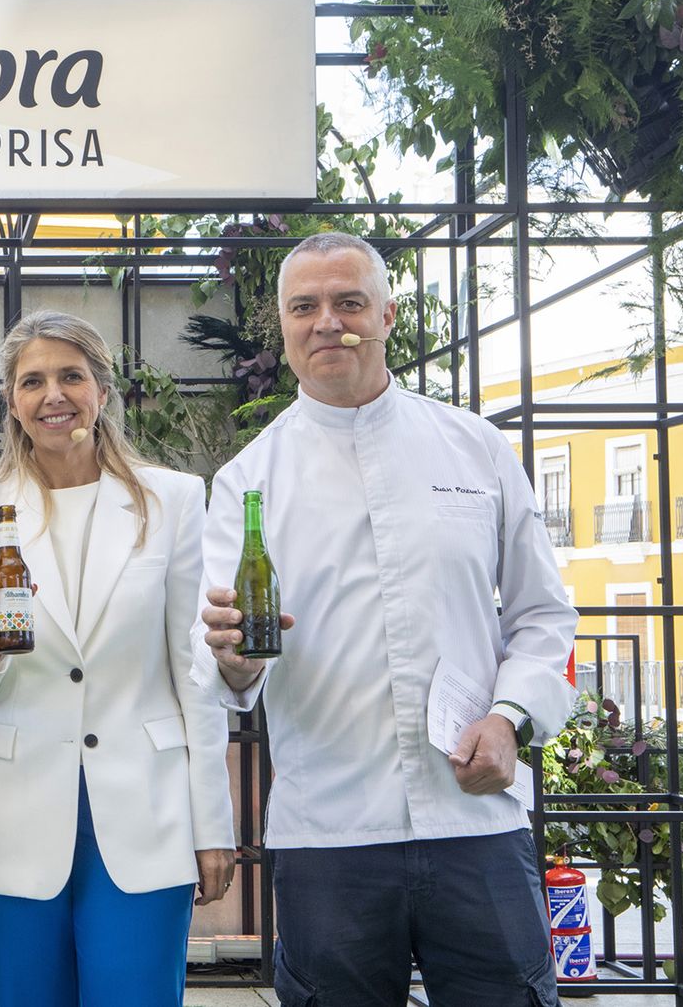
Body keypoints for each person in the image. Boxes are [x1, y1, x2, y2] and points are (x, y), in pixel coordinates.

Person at [192, 232, 578, 1006]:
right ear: (284, 325)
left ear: (388, 315)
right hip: (330, 833)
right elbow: (223, 668)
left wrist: (509, 719)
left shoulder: (475, 449)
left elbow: (543, 615)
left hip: (477, 823)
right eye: (305, 307)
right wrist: (234, 661)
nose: (327, 322)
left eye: (349, 302)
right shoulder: (247, 481)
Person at [0, 309, 235, 1007]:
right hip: (9, 817)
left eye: (71, 376)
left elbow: (193, 671)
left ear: (102, 391)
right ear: (12, 402)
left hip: (147, 813)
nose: (54, 395)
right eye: (32, 381)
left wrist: (213, 825)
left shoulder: (172, 500)